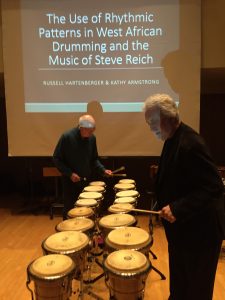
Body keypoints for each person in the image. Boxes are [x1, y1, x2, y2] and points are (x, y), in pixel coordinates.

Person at [143, 93, 225, 300]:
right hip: (183, 232)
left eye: (153, 121)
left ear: (169, 117)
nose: (150, 127)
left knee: (196, 291)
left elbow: (214, 186)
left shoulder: (191, 143)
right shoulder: (172, 139)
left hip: (201, 235)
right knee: (180, 288)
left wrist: (178, 208)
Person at [53, 114, 112, 219]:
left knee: (85, 212)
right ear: (81, 127)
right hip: (70, 182)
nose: (91, 133)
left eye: (93, 130)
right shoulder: (67, 137)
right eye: (89, 130)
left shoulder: (92, 138)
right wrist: (70, 173)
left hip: (85, 182)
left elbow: (94, 159)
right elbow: (57, 159)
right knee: (69, 212)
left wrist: (103, 170)